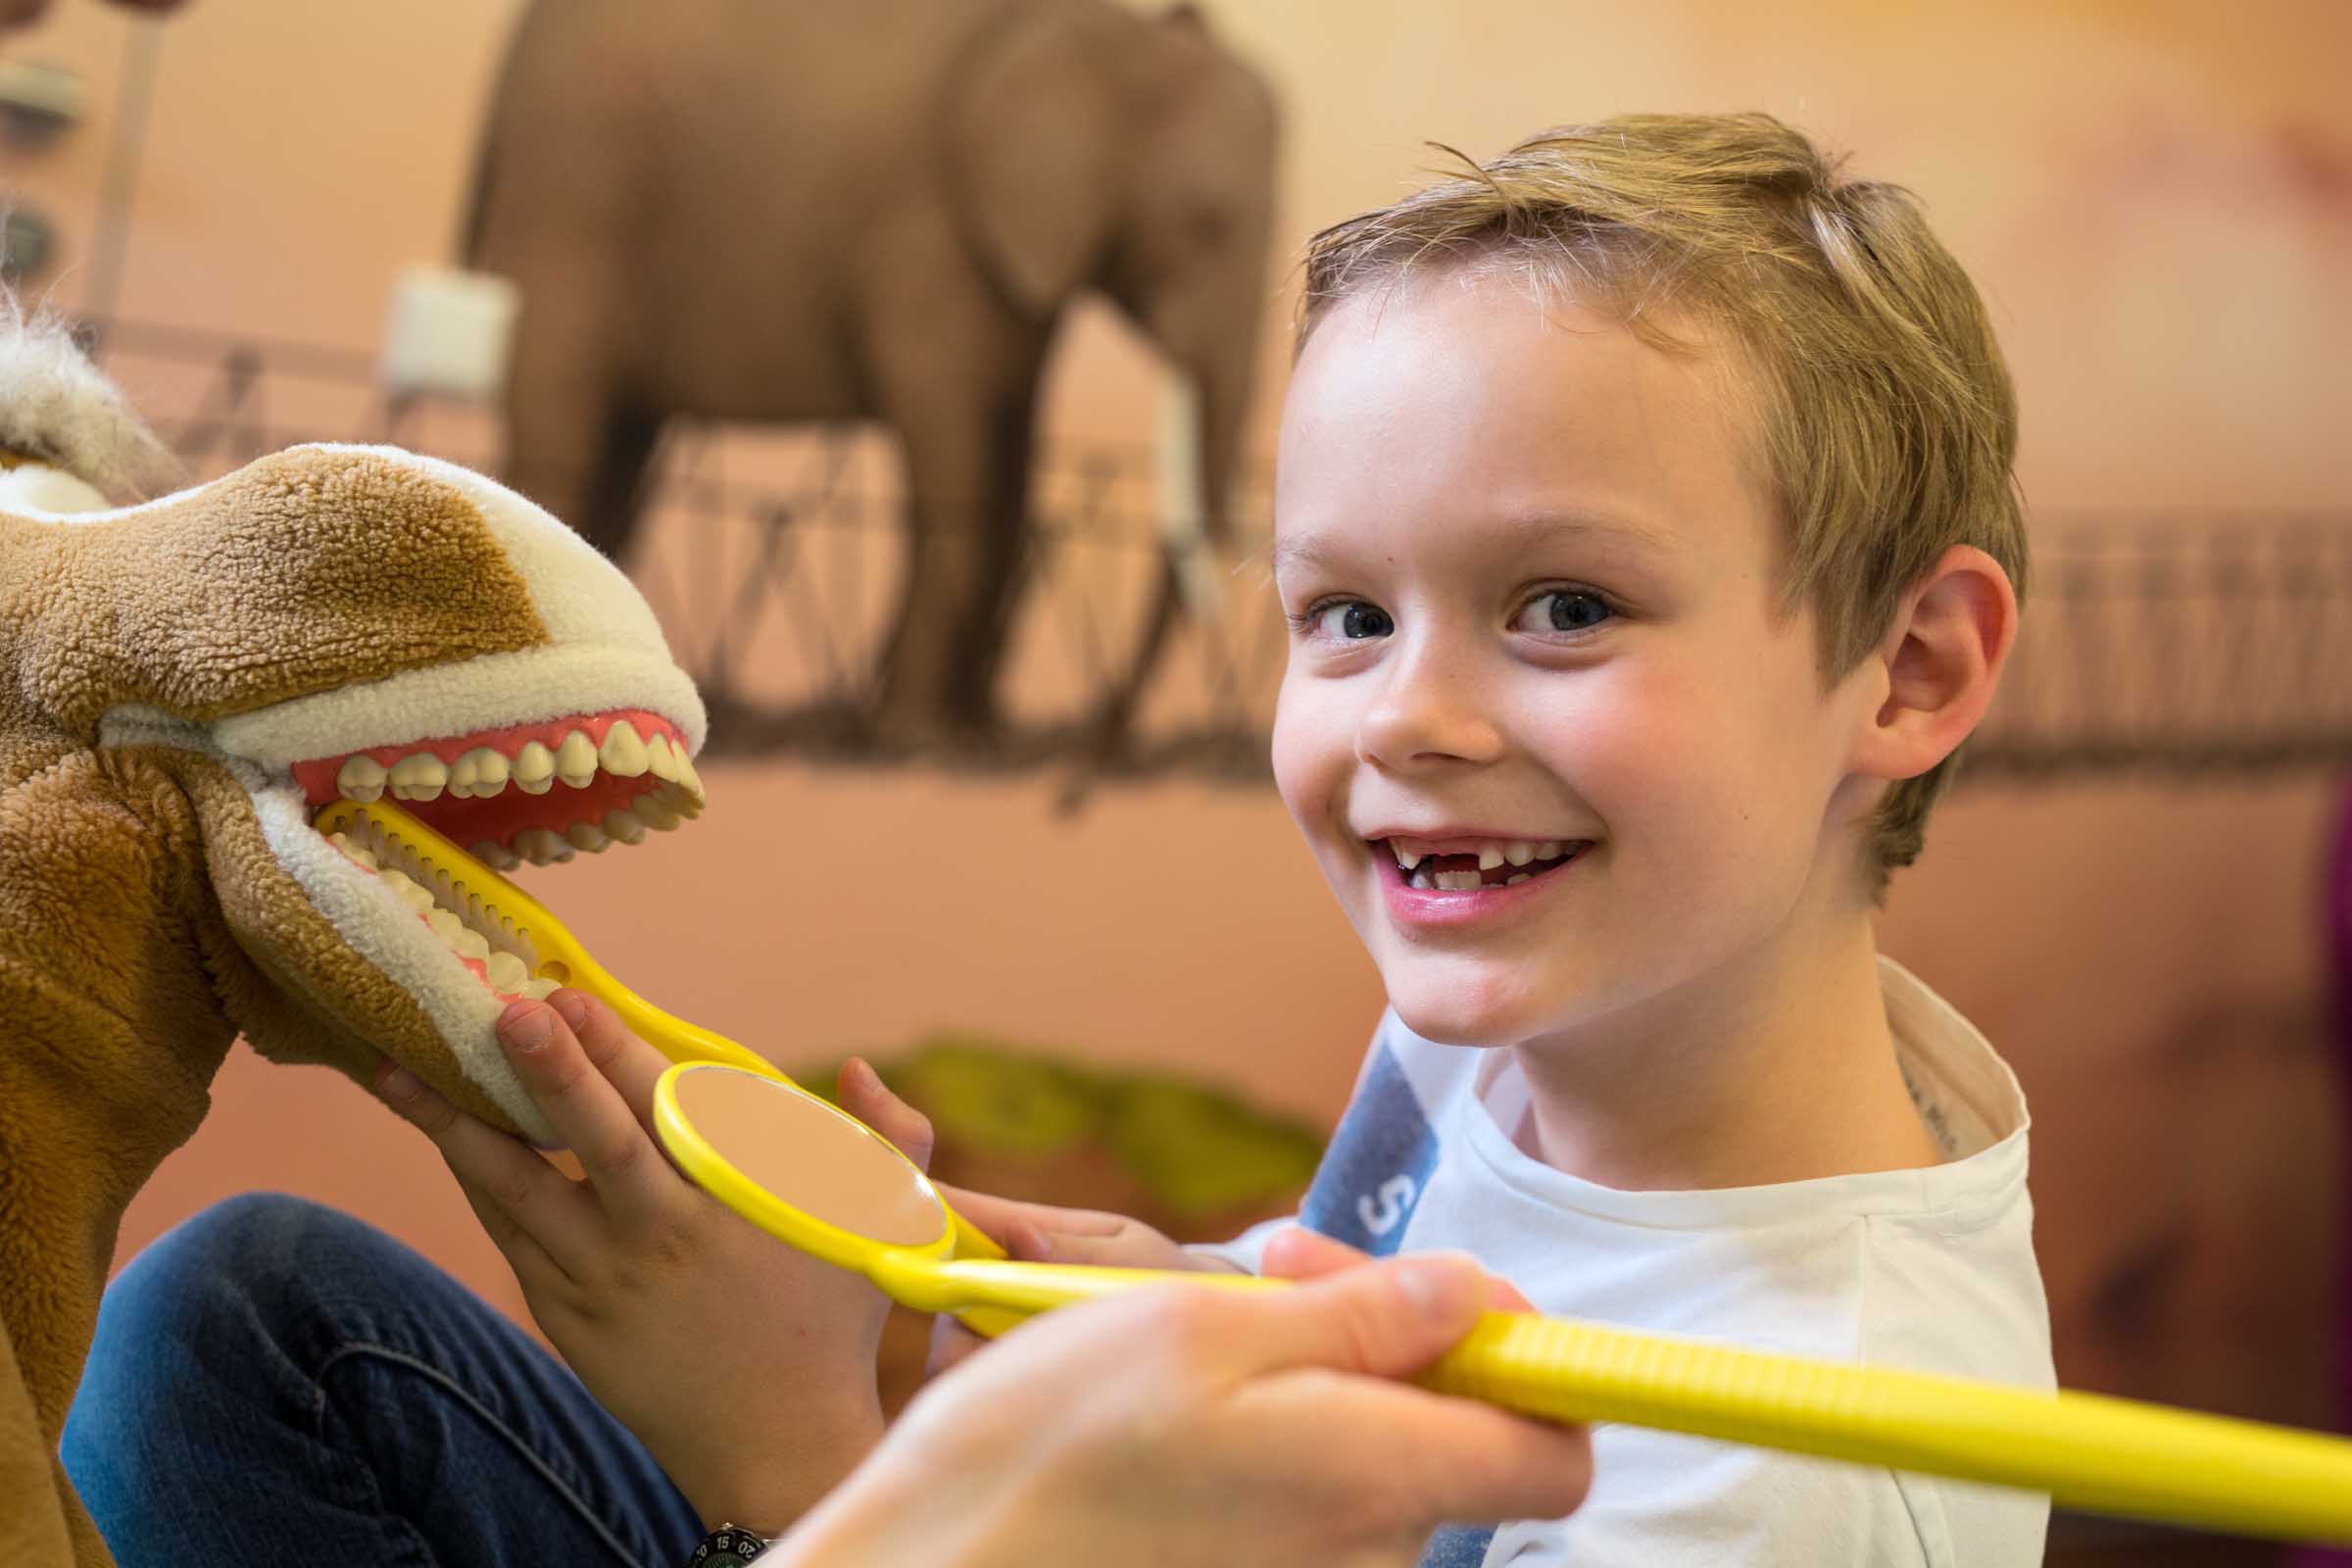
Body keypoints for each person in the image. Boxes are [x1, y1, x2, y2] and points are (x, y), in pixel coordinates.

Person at [67, 110, 2048, 1566]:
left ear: (1910, 667)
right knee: (241, 1318)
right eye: (1347, 615)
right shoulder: (1562, 987)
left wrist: (817, 1456)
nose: (1409, 723)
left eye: (1563, 607)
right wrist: (1155, 1299)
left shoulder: (1806, 1485)